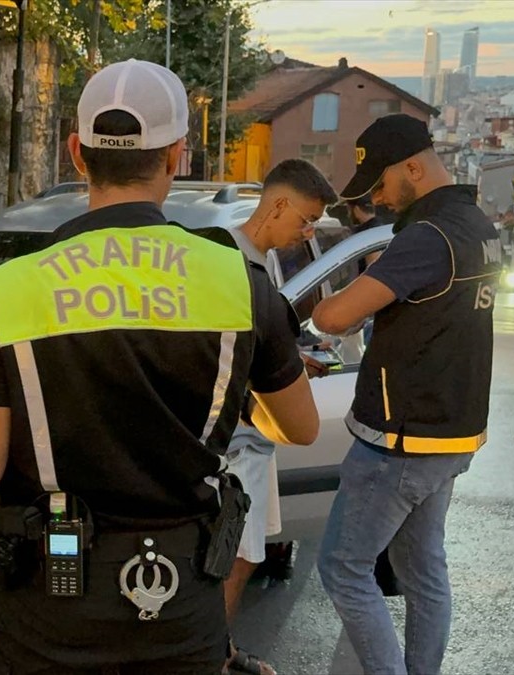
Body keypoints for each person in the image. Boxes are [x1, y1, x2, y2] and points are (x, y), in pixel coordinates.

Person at [0, 59, 320, 673]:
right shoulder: (241, 284)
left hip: (47, 614)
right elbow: (299, 427)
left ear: (76, 153)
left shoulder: (7, 289)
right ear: (176, 156)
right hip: (180, 611)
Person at [312, 114, 503, 675]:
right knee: (423, 570)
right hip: (453, 435)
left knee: (343, 568)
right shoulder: (477, 226)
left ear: (414, 168)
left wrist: (350, 304)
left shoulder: (427, 237)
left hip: (401, 440)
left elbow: (332, 314)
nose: (378, 197)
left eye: (380, 182)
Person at [220, 158, 338, 675]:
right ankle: (208, 658)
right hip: (231, 440)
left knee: (248, 554)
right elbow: (211, 355)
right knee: (225, 556)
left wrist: (292, 363)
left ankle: (218, 650)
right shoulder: (223, 256)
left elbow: (257, 345)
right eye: (306, 220)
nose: (307, 233)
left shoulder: (263, 262)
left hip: (255, 438)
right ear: (279, 204)